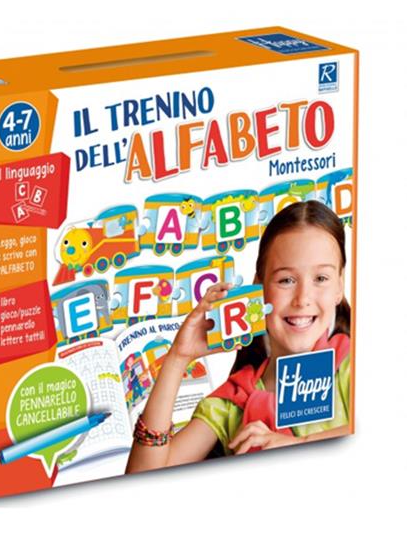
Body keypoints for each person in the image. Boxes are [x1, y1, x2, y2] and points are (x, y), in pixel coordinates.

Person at [125, 200, 351, 473]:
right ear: (259, 288)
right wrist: (177, 358)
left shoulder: (352, 366)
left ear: (339, 286)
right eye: (286, 280)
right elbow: (142, 477)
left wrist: (297, 444)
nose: (302, 299)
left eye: (321, 279)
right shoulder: (231, 402)